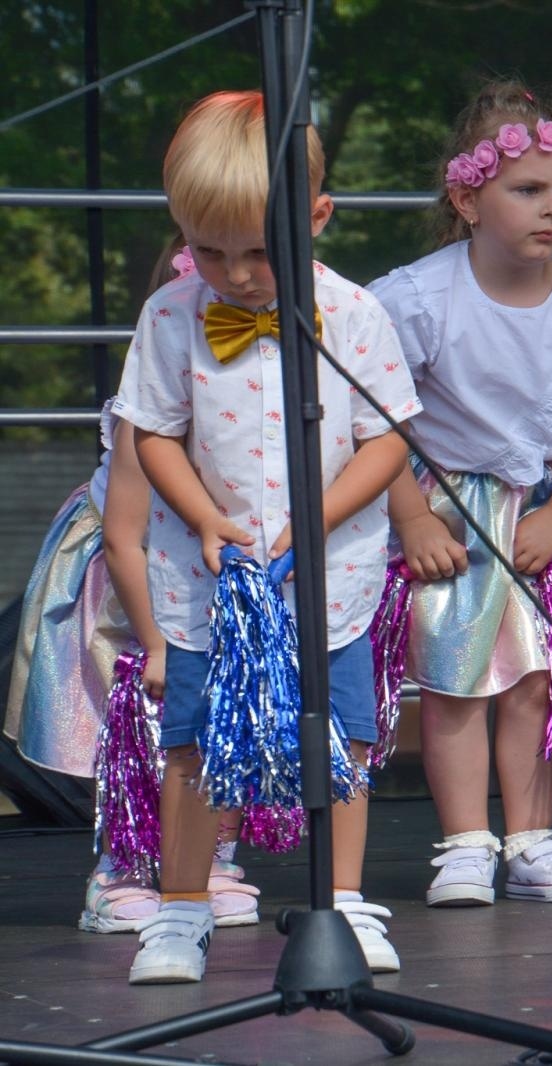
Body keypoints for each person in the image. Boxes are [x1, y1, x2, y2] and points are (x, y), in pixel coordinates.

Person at [115, 89, 420, 982]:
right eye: (209, 250)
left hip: (333, 574)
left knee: (343, 739)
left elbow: (390, 435)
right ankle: (181, 908)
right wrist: (206, 515)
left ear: (317, 217)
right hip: (212, 578)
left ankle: (345, 901)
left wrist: (317, 523)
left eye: (258, 252)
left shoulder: (356, 314)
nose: (237, 274)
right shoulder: (173, 316)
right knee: (194, 743)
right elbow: (155, 433)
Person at [371, 81, 552, 908]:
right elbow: (374, 416)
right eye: (528, 190)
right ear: (467, 197)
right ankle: (464, 842)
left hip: (544, 515)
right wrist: (413, 515)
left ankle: (532, 840)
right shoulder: (418, 299)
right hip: (451, 517)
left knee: (535, 676)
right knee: (457, 677)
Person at [5, 244, 262, 936]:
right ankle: (119, 865)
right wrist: (153, 643)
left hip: (218, 573)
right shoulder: (142, 418)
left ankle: (212, 856)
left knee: (227, 715)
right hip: (128, 585)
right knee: (134, 721)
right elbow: (126, 537)